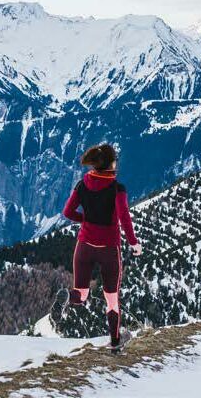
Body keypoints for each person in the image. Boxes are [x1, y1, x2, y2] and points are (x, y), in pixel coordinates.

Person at [61, 143, 142, 352]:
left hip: (84, 246)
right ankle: (115, 343)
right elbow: (124, 218)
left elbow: (68, 212)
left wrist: (86, 220)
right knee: (112, 299)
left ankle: (68, 297)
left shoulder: (82, 184)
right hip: (108, 249)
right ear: (110, 164)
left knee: (82, 294)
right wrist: (134, 242)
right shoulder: (117, 189)